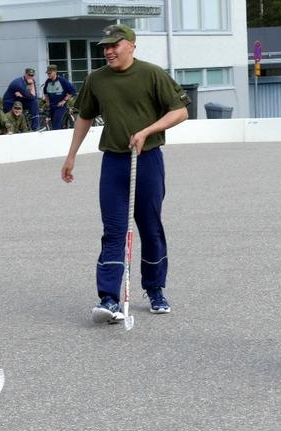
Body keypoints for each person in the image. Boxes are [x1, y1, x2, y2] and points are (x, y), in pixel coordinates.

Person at [60, 24, 189, 323]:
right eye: (105, 46)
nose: (108, 50)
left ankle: (155, 288)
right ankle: (108, 298)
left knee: (150, 227)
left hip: (147, 160)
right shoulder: (97, 80)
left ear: (131, 45)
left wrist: (148, 130)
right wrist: (71, 156)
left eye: (115, 45)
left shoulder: (152, 74)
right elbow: (85, 117)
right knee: (114, 230)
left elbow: (180, 111)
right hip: (114, 163)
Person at [43, 64, 77, 130]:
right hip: (51, 106)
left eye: (50, 73)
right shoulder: (48, 82)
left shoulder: (62, 81)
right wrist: (47, 102)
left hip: (60, 107)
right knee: (52, 124)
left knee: (56, 124)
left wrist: (64, 100)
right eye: (48, 73)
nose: (48, 74)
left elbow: (73, 91)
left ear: (55, 72)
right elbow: (45, 93)